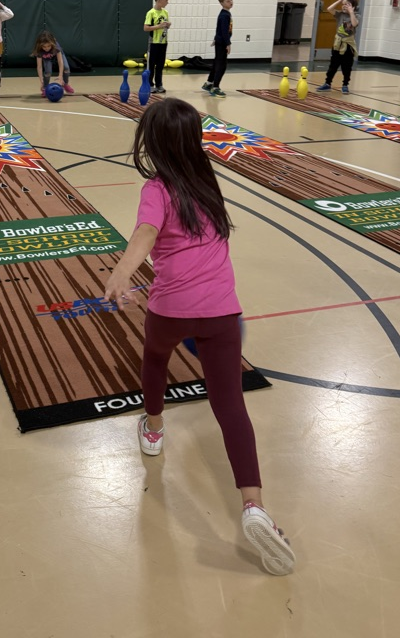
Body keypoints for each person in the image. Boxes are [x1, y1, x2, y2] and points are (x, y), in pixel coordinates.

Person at [104, 98, 295, 576]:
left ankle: (153, 425)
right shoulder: (207, 179)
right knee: (231, 407)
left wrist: (121, 274)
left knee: (154, 358)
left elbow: (145, 234)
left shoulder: (156, 187)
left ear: (153, 142)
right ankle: (253, 505)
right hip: (222, 313)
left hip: (171, 311)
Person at [317, 0, 359, 94]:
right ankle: (327, 83)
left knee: (347, 66)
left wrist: (351, 12)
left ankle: (345, 85)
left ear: (353, 6)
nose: (344, 6)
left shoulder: (356, 16)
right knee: (333, 65)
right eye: (343, 4)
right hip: (337, 44)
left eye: (347, 5)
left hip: (348, 45)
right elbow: (329, 8)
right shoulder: (339, 14)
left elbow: (354, 24)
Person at [202, 0, 233, 97]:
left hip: (220, 41)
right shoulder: (224, 15)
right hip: (222, 43)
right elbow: (224, 31)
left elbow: (219, 28)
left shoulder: (225, 14)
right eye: (228, 1)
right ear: (222, 3)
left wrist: (216, 38)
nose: (231, 2)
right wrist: (228, 44)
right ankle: (215, 87)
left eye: (231, 0)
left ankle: (209, 83)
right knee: (222, 65)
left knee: (216, 63)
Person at [143, 0, 171, 94]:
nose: (167, 2)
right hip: (153, 43)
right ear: (159, 0)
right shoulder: (151, 13)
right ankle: (150, 84)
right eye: (166, 0)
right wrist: (159, 26)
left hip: (163, 42)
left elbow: (164, 25)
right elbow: (146, 28)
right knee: (151, 64)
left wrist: (167, 25)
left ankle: (159, 84)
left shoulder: (165, 12)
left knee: (160, 65)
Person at [31, 31, 75, 97]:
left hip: (55, 54)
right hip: (47, 57)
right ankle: (45, 87)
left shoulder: (56, 46)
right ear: (40, 45)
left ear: (52, 43)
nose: (47, 48)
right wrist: (41, 81)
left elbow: (60, 61)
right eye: (44, 47)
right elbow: (39, 66)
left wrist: (60, 75)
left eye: (49, 46)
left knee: (66, 68)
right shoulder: (39, 50)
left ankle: (65, 84)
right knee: (48, 72)